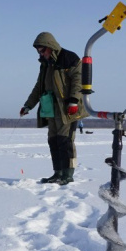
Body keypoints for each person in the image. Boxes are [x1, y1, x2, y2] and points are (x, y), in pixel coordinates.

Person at [19, 32, 88, 185]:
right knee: (53, 141)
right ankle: (57, 173)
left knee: (65, 141)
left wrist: (73, 101)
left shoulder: (69, 58)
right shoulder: (45, 65)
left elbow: (78, 80)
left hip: (68, 109)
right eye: (38, 52)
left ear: (50, 46)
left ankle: (68, 174)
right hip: (51, 109)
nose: (41, 54)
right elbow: (39, 87)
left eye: (42, 50)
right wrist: (28, 105)